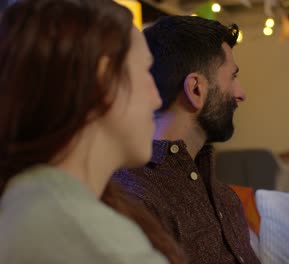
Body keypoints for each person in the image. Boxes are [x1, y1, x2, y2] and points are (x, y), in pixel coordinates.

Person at [0, 0, 169, 263]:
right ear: (104, 79)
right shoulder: (95, 240)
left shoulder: (26, 200)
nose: (157, 99)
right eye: (146, 71)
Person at [112, 15, 260, 264]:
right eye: (232, 77)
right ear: (195, 89)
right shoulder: (135, 199)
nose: (241, 94)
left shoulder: (225, 198)